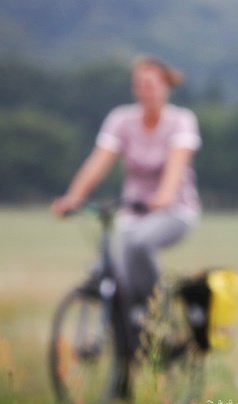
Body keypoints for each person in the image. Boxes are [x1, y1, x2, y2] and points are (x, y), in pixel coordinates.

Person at [51, 55, 202, 317]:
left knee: (139, 243)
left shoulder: (181, 120)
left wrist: (163, 197)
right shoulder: (121, 119)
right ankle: (125, 331)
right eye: (139, 84)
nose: (145, 90)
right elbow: (98, 162)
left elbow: (177, 165)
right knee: (114, 263)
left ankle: (156, 312)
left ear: (165, 87)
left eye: (151, 84)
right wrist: (73, 198)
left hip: (174, 209)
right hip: (131, 210)